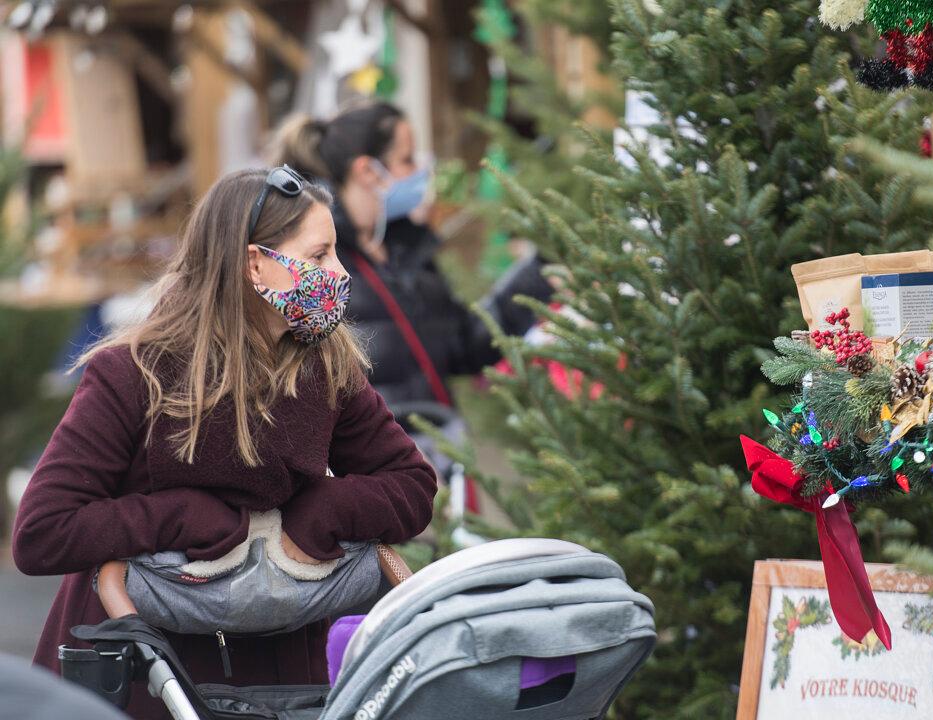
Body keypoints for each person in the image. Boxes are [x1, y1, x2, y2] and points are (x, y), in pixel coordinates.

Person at [11, 167, 437, 719]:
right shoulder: (133, 373)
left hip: (280, 673)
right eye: (319, 255)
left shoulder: (326, 366)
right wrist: (183, 516)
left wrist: (319, 513)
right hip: (139, 668)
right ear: (255, 263)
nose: (337, 272)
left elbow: (411, 487)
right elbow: (42, 532)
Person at [271, 101, 554, 408]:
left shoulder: (405, 251)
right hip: (376, 454)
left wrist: (540, 271)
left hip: (432, 449)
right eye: (407, 160)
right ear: (368, 171)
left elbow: (463, 344)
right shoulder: (315, 268)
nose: (420, 172)